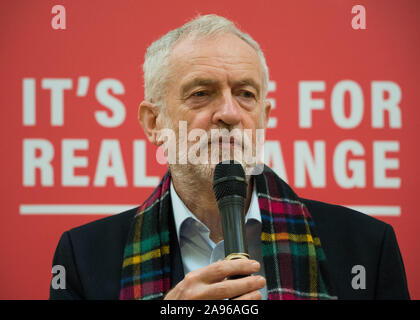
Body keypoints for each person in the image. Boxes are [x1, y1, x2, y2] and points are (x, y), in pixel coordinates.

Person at [50, 14, 410, 300]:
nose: (229, 113)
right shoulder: (84, 257)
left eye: (245, 94)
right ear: (154, 122)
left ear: (265, 117)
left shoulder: (366, 248)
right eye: (202, 93)